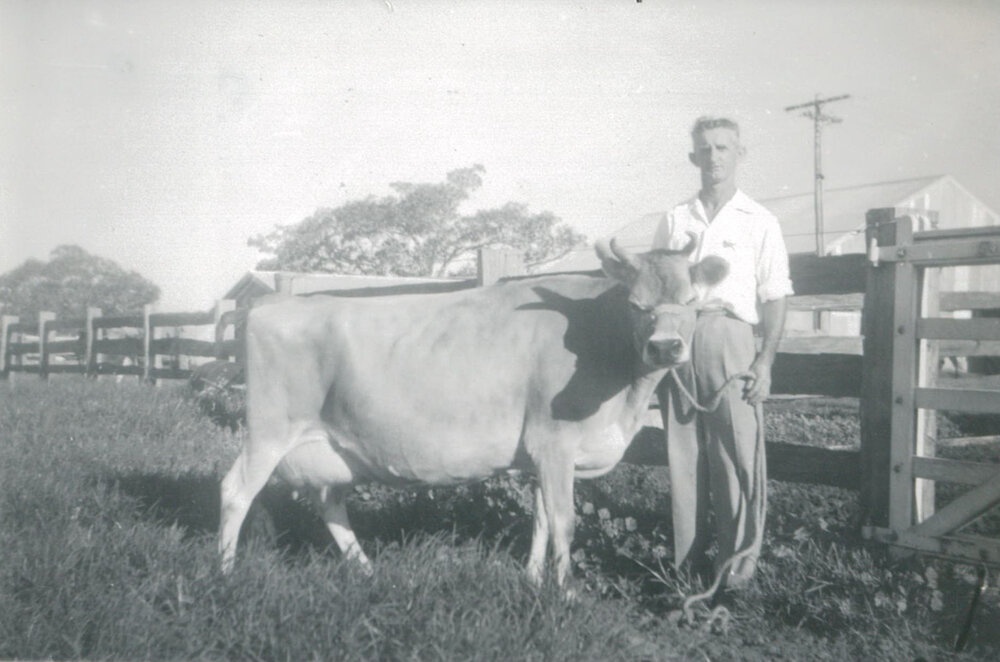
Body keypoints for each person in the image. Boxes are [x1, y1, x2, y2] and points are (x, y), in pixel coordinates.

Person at [653, 116, 792, 589]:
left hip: (732, 339)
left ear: (739, 154)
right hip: (680, 339)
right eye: (705, 149)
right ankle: (685, 572)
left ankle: (735, 574)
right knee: (683, 454)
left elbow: (775, 296)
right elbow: (658, 288)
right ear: (694, 157)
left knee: (735, 454)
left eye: (723, 148)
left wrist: (765, 362)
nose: (714, 157)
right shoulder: (674, 220)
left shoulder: (760, 220)